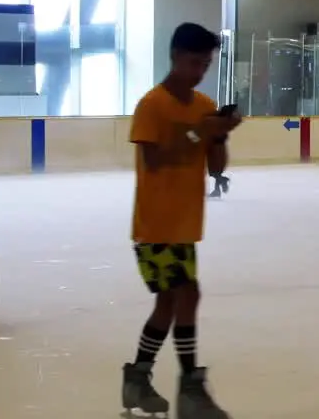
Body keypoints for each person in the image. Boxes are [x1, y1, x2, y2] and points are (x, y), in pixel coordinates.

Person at [123, 23, 241, 419]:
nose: (199, 71)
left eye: (206, 64)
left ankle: (138, 376)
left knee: (170, 304)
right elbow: (153, 160)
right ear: (174, 56)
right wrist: (197, 133)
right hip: (155, 223)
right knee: (186, 295)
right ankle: (190, 387)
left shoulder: (204, 105)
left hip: (185, 225)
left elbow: (216, 167)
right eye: (194, 62)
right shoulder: (152, 105)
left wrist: (219, 135)